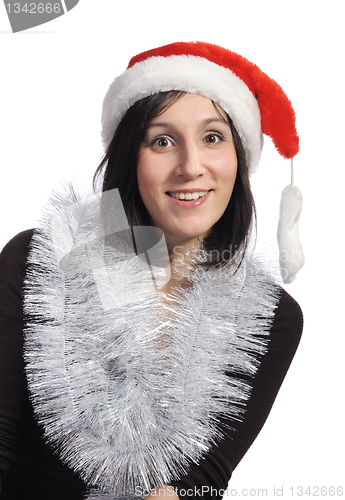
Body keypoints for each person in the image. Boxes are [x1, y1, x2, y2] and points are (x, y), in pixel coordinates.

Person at [0, 42, 304, 500]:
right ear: (131, 156)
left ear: (240, 157)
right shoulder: (39, 259)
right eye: (162, 141)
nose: (190, 167)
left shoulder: (270, 318)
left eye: (213, 137)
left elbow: (204, 482)